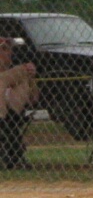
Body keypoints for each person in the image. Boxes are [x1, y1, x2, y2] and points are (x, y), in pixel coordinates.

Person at [0, 37, 39, 169]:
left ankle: (12, 157)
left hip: (11, 115)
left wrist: (31, 77)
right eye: (4, 49)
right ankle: (14, 157)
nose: (9, 53)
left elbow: (34, 98)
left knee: (22, 76)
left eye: (9, 49)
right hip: (8, 118)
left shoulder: (18, 76)